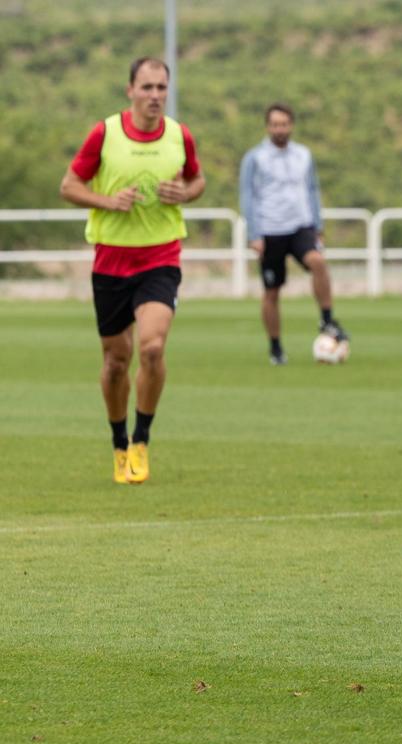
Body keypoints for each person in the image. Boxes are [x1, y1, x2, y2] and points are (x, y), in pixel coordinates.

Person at [60, 57, 206, 485]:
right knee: (115, 362)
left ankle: (142, 438)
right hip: (111, 261)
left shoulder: (180, 136)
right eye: (147, 87)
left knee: (154, 348)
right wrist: (109, 201)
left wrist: (186, 192)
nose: (155, 95)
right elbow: (68, 186)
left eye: (162, 87)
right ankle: (118, 443)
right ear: (130, 90)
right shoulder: (104, 134)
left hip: (160, 258)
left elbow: (198, 182)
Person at [239, 102, 347, 365]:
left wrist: (318, 226)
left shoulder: (303, 155)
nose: (280, 129)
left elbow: (312, 190)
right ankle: (275, 347)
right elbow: (247, 195)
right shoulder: (255, 158)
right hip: (270, 230)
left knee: (318, 263)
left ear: (291, 125)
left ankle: (327, 319)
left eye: (284, 124)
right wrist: (254, 234)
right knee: (272, 292)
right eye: (275, 125)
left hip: (301, 226)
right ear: (268, 127)